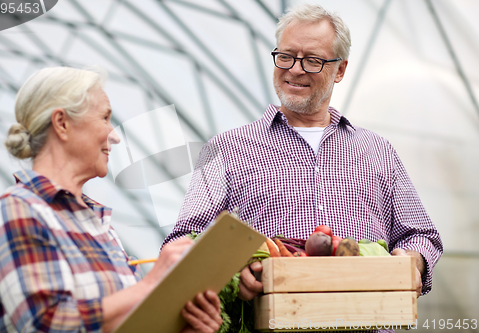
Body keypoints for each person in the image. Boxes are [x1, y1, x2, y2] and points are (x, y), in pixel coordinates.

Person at [164, 2, 443, 311]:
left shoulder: (377, 150)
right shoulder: (227, 149)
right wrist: (231, 274)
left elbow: (421, 235)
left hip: (369, 323)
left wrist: (412, 262)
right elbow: (181, 244)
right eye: (285, 56)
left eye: (312, 60)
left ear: (340, 70)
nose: (295, 69)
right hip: (272, 324)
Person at [0, 67, 222, 333]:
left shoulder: (99, 226)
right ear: (61, 123)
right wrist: (150, 284)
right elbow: (48, 323)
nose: (114, 135)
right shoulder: (17, 211)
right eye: (105, 118)